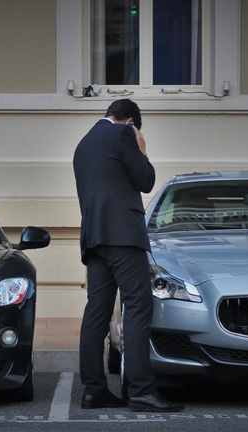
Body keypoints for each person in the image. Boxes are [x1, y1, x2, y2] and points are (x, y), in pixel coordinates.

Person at [73, 99, 183, 412]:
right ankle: (141, 391)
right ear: (130, 121)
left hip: (94, 237)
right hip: (122, 235)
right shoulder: (123, 136)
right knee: (137, 305)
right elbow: (146, 180)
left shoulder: (83, 144)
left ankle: (93, 390)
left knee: (97, 311)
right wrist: (142, 147)